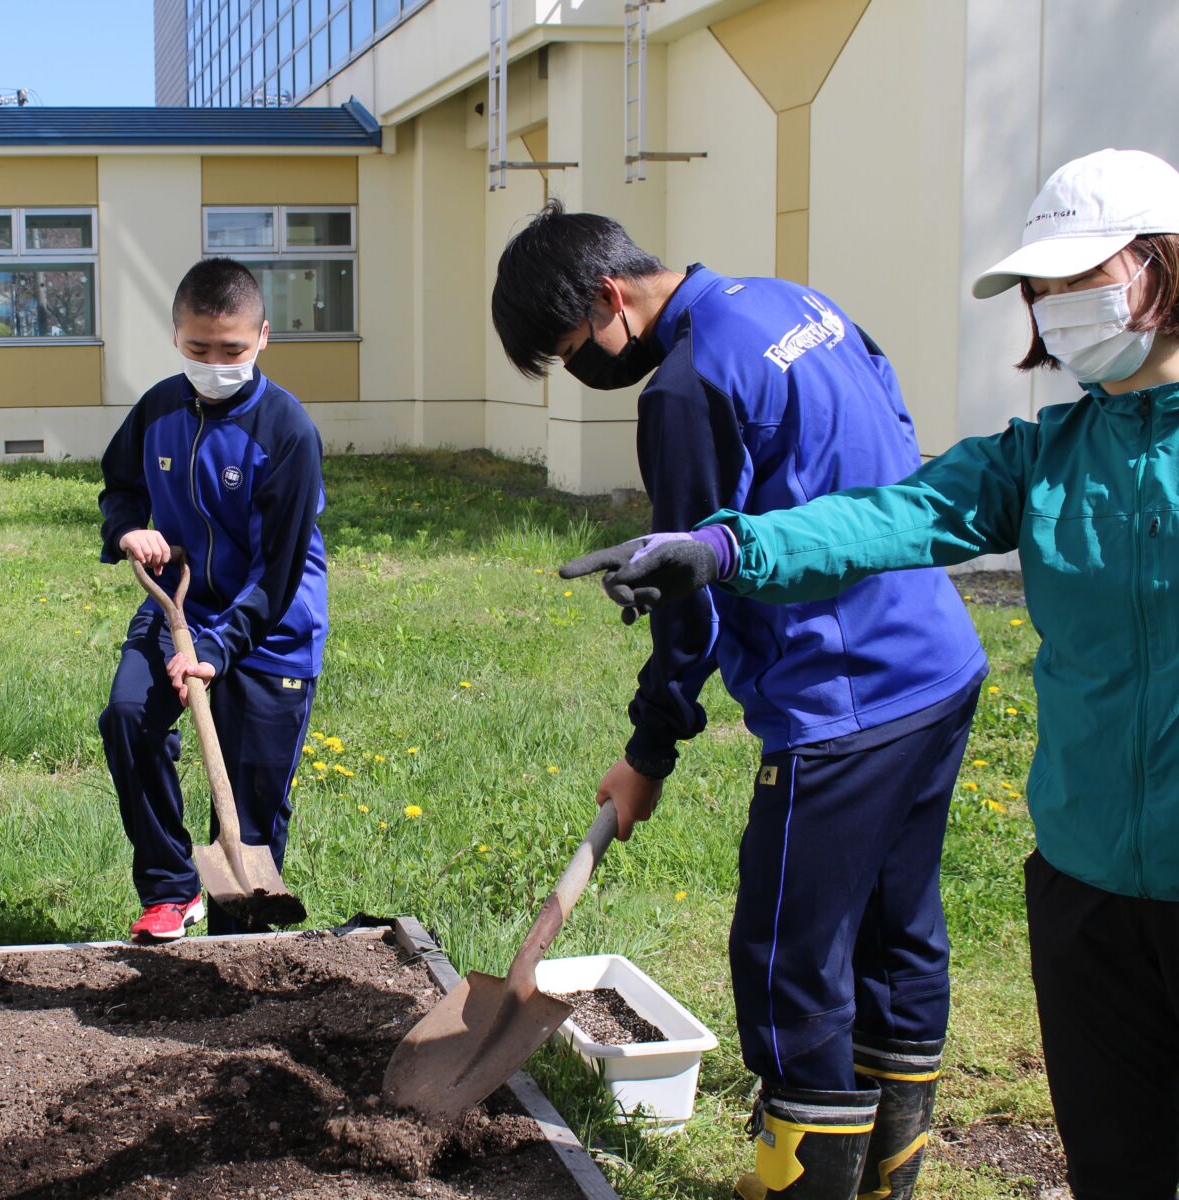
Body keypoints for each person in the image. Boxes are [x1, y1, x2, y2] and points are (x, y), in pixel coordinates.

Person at [566, 148, 1179, 1200]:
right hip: (1083, 878)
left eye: (1085, 279)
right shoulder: (1045, 455)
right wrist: (717, 551)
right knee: (1115, 1163)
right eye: (1044, 287)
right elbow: (891, 511)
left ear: (1161, 266)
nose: (1058, 306)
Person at [492, 204, 987, 1200]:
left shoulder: (684, 388)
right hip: (936, 661)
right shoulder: (795, 302)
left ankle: (803, 1185)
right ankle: (889, 1177)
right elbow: (895, 443)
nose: (582, 368)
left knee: (784, 966)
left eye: (572, 346)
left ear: (609, 296)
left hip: (839, 702)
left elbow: (689, 595)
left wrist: (650, 749)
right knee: (899, 934)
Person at [97, 257, 328, 943]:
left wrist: (221, 650)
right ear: (176, 337)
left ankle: (237, 939)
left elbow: (279, 572)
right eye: (199, 348)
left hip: (271, 628)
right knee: (127, 717)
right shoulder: (159, 409)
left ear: (262, 338)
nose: (215, 362)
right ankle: (171, 888)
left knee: (253, 806)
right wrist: (129, 530)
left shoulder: (287, 432)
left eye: (232, 349)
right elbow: (120, 485)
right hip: (181, 607)